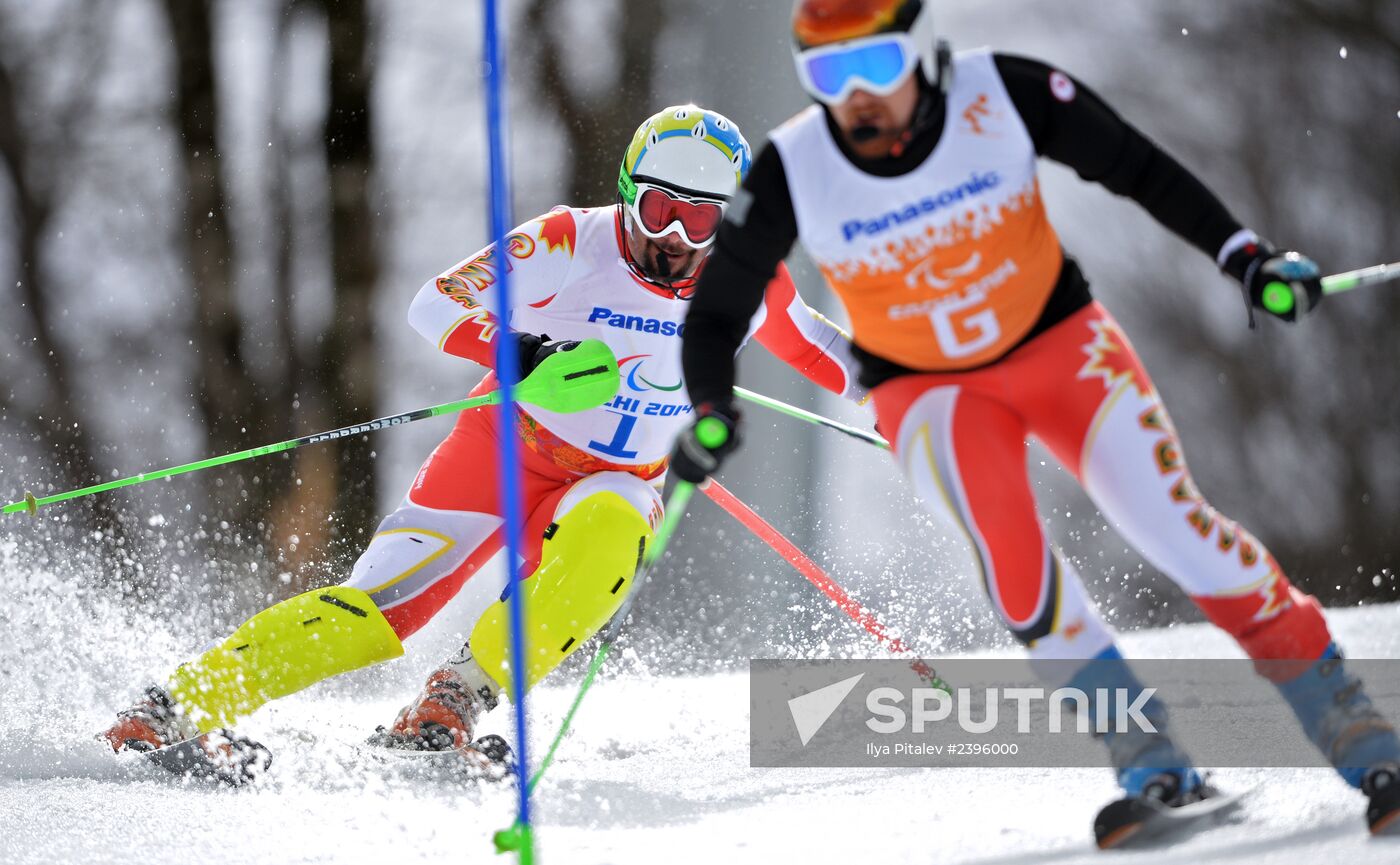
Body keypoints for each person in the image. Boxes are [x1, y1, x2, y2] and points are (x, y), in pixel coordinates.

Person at [670, 0, 1400, 844]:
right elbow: (717, 310)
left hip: (1061, 351)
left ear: (920, 52)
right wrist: (713, 409)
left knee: (1179, 532)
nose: (857, 98)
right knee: (1019, 573)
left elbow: (1136, 166)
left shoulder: (1004, 94)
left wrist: (1246, 257)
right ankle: (1151, 764)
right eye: (827, 76)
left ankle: (1360, 736)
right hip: (930, 393)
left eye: (873, 67)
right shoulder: (793, 166)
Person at [102, 104, 866, 764]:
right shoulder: (571, 241)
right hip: (505, 448)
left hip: (618, 479)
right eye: (660, 209)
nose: (675, 237)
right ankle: (174, 706)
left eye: (701, 216)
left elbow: (828, 352)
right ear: (628, 195)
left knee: (609, 541)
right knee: (373, 613)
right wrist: (529, 355)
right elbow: (434, 305)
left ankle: (453, 699)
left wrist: (916, 389)